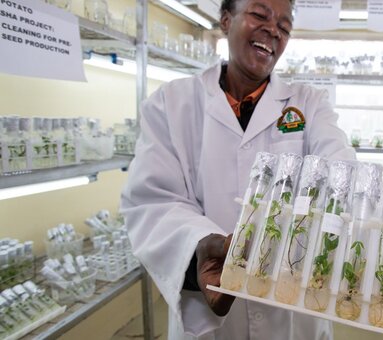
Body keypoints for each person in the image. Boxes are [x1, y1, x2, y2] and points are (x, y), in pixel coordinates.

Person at [120, 0, 356, 338]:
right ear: (226, 21)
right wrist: (199, 245)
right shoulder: (171, 103)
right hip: (210, 318)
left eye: (285, 27)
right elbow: (151, 200)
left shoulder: (308, 103)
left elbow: (339, 163)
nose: (273, 30)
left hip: (289, 315)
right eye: (260, 15)